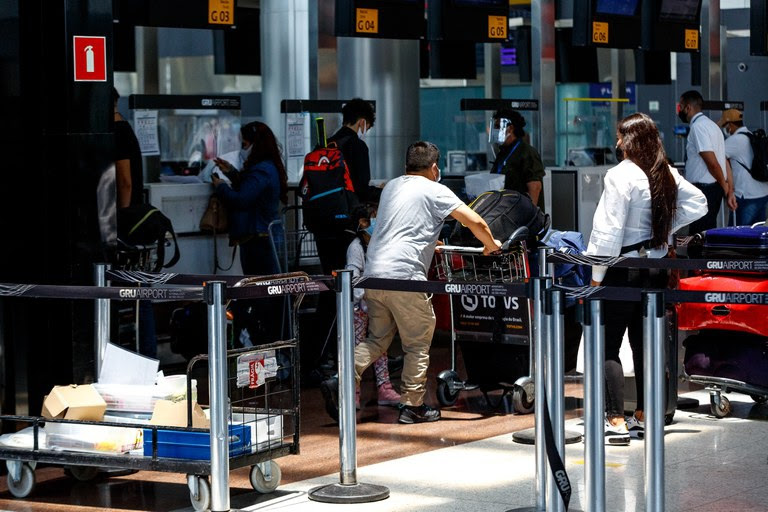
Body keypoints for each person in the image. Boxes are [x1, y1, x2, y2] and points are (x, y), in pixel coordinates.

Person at [323, 141, 502, 424]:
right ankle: (413, 406)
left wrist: (432, 242)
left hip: (374, 274)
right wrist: (492, 245)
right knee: (417, 342)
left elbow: (403, 226)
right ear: (434, 168)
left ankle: (340, 377)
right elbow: (474, 222)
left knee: (377, 339)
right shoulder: (435, 189)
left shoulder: (392, 186)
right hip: (405, 277)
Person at [586, 113, 707, 445]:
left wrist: (596, 276)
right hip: (654, 270)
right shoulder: (665, 172)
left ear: (631, 140)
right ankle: (643, 415)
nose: (616, 144)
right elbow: (700, 203)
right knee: (645, 344)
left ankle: (614, 419)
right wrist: (664, 230)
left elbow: (608, 231)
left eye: (620, 137)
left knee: (609, 345)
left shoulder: (620, 176)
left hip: (621, 268)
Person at [312, 99, 379, 375]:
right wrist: (383, 192)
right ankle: (343, 356)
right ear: (362, 121)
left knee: (330, 292)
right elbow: (361, 190)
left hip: (322, 228)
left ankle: (319, 357)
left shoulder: (326, 146)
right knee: (349, 294)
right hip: (347, 231)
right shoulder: (356, 146)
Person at [212, 121, 288, 344]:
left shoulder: (262, 169)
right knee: (262, 294)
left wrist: (221, 187)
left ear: (255, 144)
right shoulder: (265, 167)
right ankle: (262, 339)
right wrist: (232, 173)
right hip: (261, 238)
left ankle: (260, 340)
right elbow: (251, 190)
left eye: (244, 143)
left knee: (259, 295)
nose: (242, 148)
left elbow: (242, 198)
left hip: (259, 240)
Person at [324, 203, 401, 419]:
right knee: (357, 347)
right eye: (373, 218)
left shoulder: (379, 244)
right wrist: (363, 297)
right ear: (362, 223)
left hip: (377, 303)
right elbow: (353, 277)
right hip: (358, 306)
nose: (377, 222)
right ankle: (353, 393)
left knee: (380, 347)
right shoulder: (356, 247)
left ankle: (385, 388)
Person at [113, 87, 157, 357]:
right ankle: (147, 357)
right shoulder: (128, 130)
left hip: (127, 228)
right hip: (136, 227)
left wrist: (121, 220)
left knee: (136, 297)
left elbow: (125, 182)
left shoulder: (117, 133)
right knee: (141, 296)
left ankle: (145, 357)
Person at [677, 90, 735, 233]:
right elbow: (724, 161)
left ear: (688, 108)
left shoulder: (698, 127)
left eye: (681, 107)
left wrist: (725, 187)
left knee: (699, 236)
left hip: (705, 189)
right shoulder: (713, 126)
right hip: (712, 188)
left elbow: (712, 162)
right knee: (705, 232)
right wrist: (728, 189)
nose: (679, 110)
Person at [489, 108, 546, 210]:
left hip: (520, 212)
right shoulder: (502, 153)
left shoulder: (526, 152)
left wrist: (530, 214)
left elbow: (535, 187)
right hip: (504, 210)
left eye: (498, 127)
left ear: (510, 129)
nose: (495, 131)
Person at [718, 109, 768, 225]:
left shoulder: (734, 140)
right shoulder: (752, 136)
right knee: (757, 232)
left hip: (747, 195)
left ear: (729, 125)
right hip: (763, 193)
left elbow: (716, 158)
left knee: (740, 236)